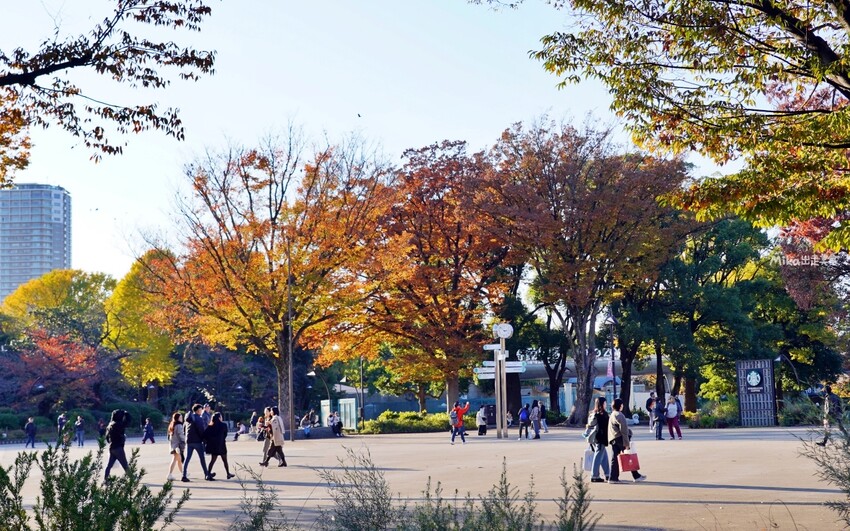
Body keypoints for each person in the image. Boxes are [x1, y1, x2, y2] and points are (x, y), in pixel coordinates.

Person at [608, 398, 646, 483]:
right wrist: (626, 443)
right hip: (620, 438)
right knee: (629, 456)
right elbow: (624, 430)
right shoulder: (620, 415)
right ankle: (636, 476)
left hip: (613, 438)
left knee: (615, 459)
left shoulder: (613, 414)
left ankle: (613, 477)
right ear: (620, 406)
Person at [182, 403, 213, 482]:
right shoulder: (198, 418)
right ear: (198, 410)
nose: (202, 411)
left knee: (187, 459)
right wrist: (204, 439)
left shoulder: (188, 418)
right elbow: (201, 430)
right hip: (197, 441)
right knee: (202, 458)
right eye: (201, 409)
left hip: (189, 441)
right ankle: (206, 474)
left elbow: (184, 429)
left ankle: (184, 475)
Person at [585, 396, 610, 483]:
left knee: (604, 457)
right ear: (602, 404)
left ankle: (608, 474)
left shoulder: (594, 414)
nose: (606, 404)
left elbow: (590, 425)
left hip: (595, 438)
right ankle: (594, 475)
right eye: (605, 403)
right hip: (600, 438)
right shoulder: (602, 415)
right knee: (598, 456)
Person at [204, 412, 235, 479]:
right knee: (225, 460)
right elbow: (225, 434)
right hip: (221, 445)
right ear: (219, 418)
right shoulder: (223, 425)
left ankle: (208, 473)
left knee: (212, 460)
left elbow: (205, 435)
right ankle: (228, 473)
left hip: (213, 446)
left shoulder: (210, 426)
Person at [104, 409, 131, 481]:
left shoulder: (110, 425)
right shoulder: (118, 424)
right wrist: (126, 413)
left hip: (112, 447)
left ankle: (106, 479)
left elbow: (107, 437)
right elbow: (128, 422)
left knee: (109, 465)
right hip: (118, 447)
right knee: (124, 464)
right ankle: (132, 478)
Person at [167, 412, 185, 481]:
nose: (182, 418)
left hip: (173, 444)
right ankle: (170, 474)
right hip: (177, 445)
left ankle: (183, 473)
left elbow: (169, 436)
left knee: (178, 459)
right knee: (176, 459)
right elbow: (181, 435)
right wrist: (184, 441)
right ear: (177, 418)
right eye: (180, 417)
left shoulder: (172, 425)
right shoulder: (179, 425)